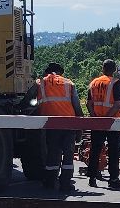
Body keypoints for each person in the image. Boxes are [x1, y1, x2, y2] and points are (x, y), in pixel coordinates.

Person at [29, 62, 81, 192]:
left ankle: (50, 181)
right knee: (68, 154)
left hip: (50, 124)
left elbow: (27, 100)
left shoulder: (40, 82)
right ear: (60, 72)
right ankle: (65, 183)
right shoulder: (69, 83)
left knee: (53, 153)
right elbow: (77, 106)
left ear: (48, 72)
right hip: (69, 123)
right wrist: (80, 125)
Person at [86, 60, 120, 189]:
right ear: (114, 70)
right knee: (114, 151)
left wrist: (96, 118)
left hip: (97, 122)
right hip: (112, 122)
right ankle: (113, 179)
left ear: (102, 68)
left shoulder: (93, 83)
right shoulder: (115, 83)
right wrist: (106, 119)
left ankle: (92, 178)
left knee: (95, 150)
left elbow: (89, 104)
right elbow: (117, 105)